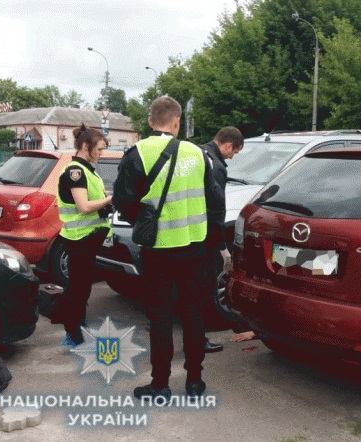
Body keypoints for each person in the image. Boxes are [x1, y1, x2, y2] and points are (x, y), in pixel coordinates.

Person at [113, 96, 223, 400]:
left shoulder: (137, 154)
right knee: (193, 314)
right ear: (177, 122)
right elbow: (215, 200)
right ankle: (195, 382)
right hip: (195, 248)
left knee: (160, 317)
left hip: (158, 250)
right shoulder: (199, 154)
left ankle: (160, 383)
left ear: (150, 122)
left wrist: (144, 218)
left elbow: (122, 201)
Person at [56, 124, 113, 347]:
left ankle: (76, 327)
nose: (102, 153)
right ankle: (73, 333)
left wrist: (105, 198)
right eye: (99, 148)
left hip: (87, 237)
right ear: (85, 146)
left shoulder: (87, 170)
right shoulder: (75, 172)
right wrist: (109, 199)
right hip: (79, 237)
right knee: (78, 288)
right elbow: (84, 206)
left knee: (81, 287)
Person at [200, 126, 244, 353]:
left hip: (187, 232)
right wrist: (222, 248)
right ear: (228, 145)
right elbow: (216, 210)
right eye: (233, 152)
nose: (232, 156)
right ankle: (199, 339)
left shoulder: (198, 154)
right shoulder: (215, 166)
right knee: (203, 286)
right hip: (205, 236)